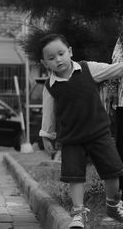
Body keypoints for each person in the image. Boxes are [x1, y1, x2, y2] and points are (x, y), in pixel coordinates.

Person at [37, 33, 123, 228]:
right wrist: (46, 136)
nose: (58, 60)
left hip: (99, 133)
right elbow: (48, 115)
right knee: (75, 176)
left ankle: (113, 204)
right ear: (45, 63)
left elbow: (114, 70)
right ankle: (78, 213)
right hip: (72, 138)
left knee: (113, 171)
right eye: (51, 58)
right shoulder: (50, 87)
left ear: (70, 52)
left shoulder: (87, 69)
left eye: (61, 53)